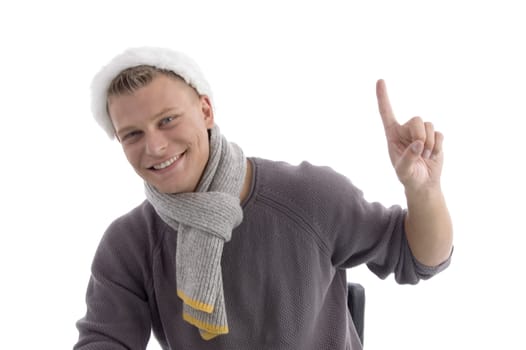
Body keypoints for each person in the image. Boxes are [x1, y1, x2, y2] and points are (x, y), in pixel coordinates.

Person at [74, 47, 453, 350]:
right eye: (133, 135)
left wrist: (425, 192)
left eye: (168, 120)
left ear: (205, 111)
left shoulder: (307, 196)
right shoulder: (129, 244)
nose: (155, 146)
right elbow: (104, 341)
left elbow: (418, 257)